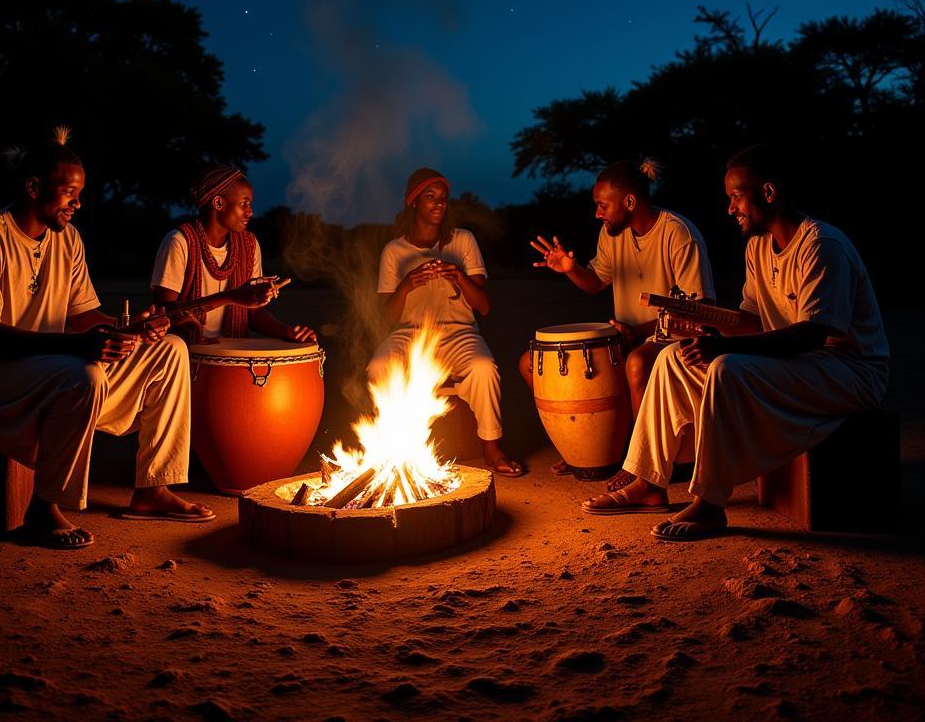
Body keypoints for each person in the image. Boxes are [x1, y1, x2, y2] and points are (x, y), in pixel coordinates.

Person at [582, 144, 889, 541]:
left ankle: (710, 505)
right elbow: (751, 320)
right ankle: (648, 483)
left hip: (848, 370)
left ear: (769, 193)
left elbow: (812, 334)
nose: (730, 208)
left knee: (727, 367)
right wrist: (704, 322)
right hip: (802, 364)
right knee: (673, 358)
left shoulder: (821, 247)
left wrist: (725, 349)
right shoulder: (758, 247)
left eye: (736, 197)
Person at [0, 128, 215, 551]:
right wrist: (78, 346)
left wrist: (131, 329)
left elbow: (83, 314)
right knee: (82, 374)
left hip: (44, 368)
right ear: (33, 187)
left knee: (169, 350)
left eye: (80, 193)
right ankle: (43, 509)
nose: (78, 203)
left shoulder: (67, 239)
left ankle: (153, 489)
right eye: (69, 192)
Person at [522, 159, 715, 487]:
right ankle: (584, 448)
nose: (598, 213)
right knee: (532, 364)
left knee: (637, 363)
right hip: (626, 335)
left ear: (629, 202)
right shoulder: (612, 234)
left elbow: (699, 311)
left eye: (602, 205)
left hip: (670, 340)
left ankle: (641, 461)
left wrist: (636, 333)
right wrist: (570, 269)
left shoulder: (678, 234)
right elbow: (596, 281)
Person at [367, 167, 523, 476]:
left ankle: (491, 449)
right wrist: (407, 284)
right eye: (430, 197)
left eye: (443, 198)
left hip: (459, 333)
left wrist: (459, 276)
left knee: (483, 369)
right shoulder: (394, 251)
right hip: (409, 335)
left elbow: (485, 306)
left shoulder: (463, 241)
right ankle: (396, 449)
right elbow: (385, 319)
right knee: (378, 367)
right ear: (413, 202)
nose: (439, 204)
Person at [150, 165, 316, 345]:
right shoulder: (180, 241)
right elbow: (164, 312)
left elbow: (253, 312)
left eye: (250, 204)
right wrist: (232, 296)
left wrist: (286, 331)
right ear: (219, 203)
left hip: (233, 351)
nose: (250, 212)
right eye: (244, 203)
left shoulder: (249, 244)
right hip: (186, 352)